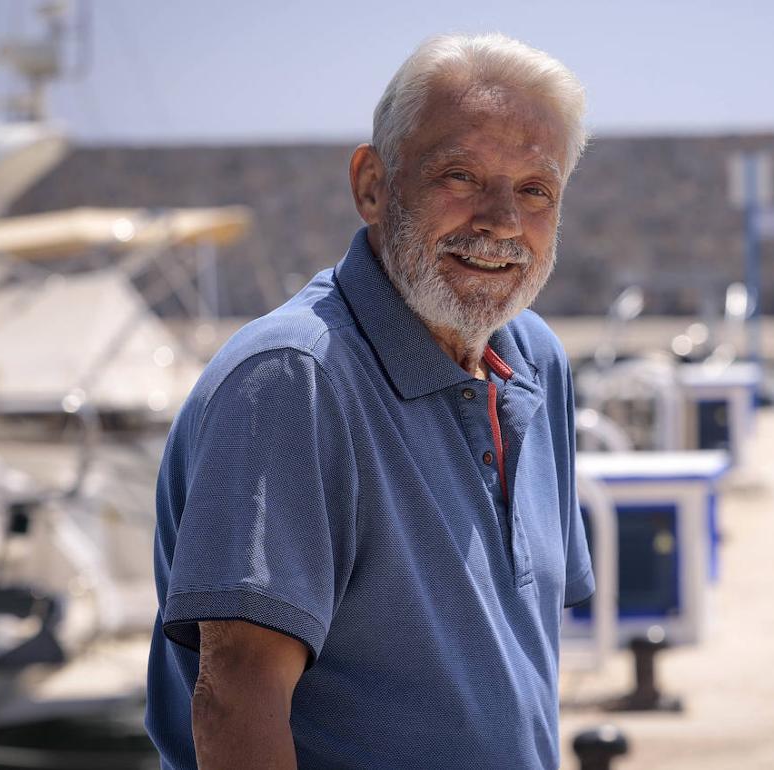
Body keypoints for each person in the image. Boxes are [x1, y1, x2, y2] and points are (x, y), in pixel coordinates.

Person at [145, 33, 595, 770]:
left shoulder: (533, 358)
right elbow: (235, 696)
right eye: (462, 175)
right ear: (373, 185)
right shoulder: (295, 380)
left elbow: (514, 666)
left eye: (535, 191)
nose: (502, 221)